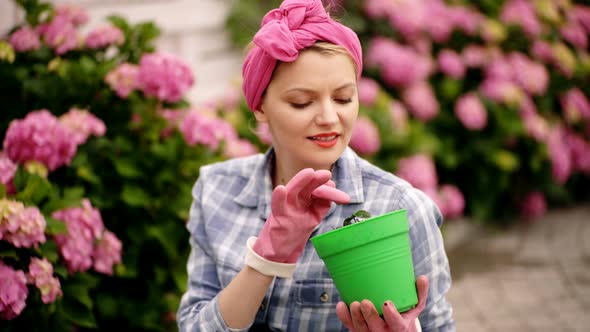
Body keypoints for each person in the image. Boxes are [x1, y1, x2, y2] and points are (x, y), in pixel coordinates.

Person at [176, 0, 455, 331]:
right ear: (260, 107)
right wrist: (266, 257)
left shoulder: (401, 207)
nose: (328, 118)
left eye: (343, 98)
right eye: (302, 102)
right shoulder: (216, 190)